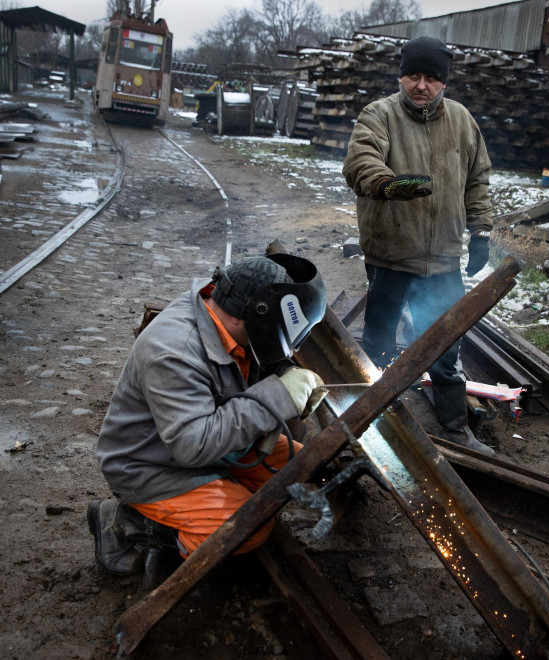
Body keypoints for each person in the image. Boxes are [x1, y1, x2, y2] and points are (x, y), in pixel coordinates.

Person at [87, 253, 327, 575]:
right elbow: (192, 445)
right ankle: (126, 522)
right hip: (152, 465)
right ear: (250, 316)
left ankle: (222, 489)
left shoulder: (225, 314)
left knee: (299, 468)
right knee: (247, 529)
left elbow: (249, 363)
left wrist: (287, 375)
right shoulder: (174, 352)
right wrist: (280, 397)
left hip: (215, 443)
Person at [342, 36, 494, 456]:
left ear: (443, 83)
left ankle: (456, 429)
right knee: (377, 346)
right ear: (401, 75)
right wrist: (387, 184)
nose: (421, 85)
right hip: (391, 255)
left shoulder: (462, 121)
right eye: (413, 75)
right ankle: (367, 429)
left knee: (447, 346)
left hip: (443, 258)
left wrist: (481, 230)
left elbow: (477, 179)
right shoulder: (380, 115)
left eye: (431, 78)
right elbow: (360, 162)